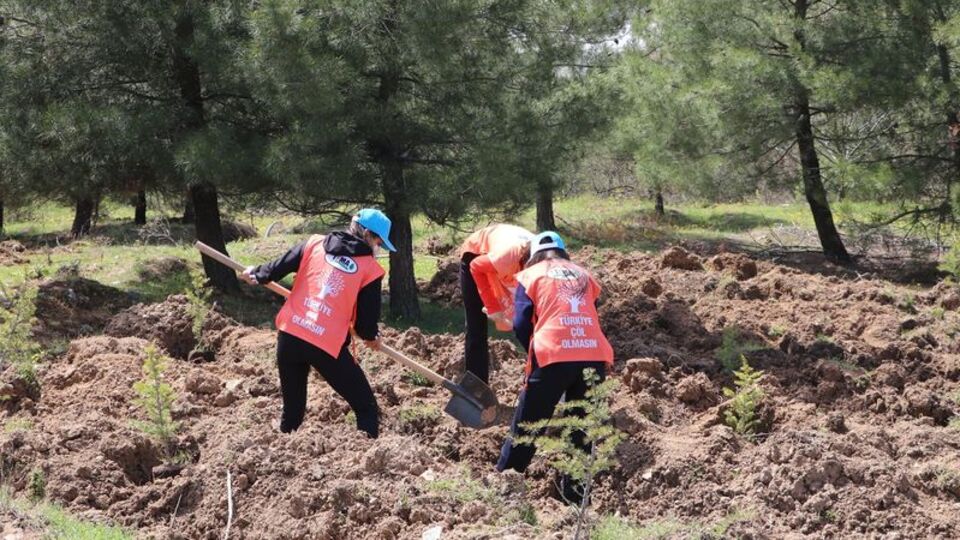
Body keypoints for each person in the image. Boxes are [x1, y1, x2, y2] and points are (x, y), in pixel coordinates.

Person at [240, 208, 396, 438]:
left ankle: (282, 454)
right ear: (367, 235)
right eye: (378, 241)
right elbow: (365, 325)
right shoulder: (371, 270)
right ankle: (368, 465)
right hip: (325, 345)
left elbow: (274, 269)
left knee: (292, 414)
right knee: (366, 408)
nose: (378, 247)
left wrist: (257, 272)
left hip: (291, 335)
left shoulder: (313, 244)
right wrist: (372, 337)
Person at [495, 231, 614, 501]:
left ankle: (505, 486)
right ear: (564, 252)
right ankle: (576, 496)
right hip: (593, 354)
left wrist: (536, 356)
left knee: (529, 425)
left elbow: (523, 322)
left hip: (553, 353)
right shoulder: (584, 275)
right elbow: (587, 311)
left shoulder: (530, 275)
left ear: (534, 255)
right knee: (581, 429)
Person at [459, 223, 535, 384]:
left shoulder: (547, 269)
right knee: (476, 327)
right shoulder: (509, 257)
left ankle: (536, 377)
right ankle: (475, 388)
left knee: (532, 326)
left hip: (508, 260)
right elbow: (476, 266)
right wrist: (493, 307)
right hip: (477, 255)